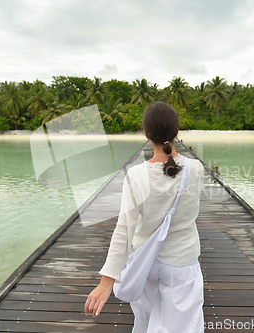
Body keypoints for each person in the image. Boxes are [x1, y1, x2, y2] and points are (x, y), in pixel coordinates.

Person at [84, 101, 205, 332]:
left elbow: (124, 229)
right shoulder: (196, 169)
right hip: (182, 263)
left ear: (146, 133)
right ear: (176, 131)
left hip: (145, 265)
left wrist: (106, 281)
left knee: (146, 324)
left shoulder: (137, 175)